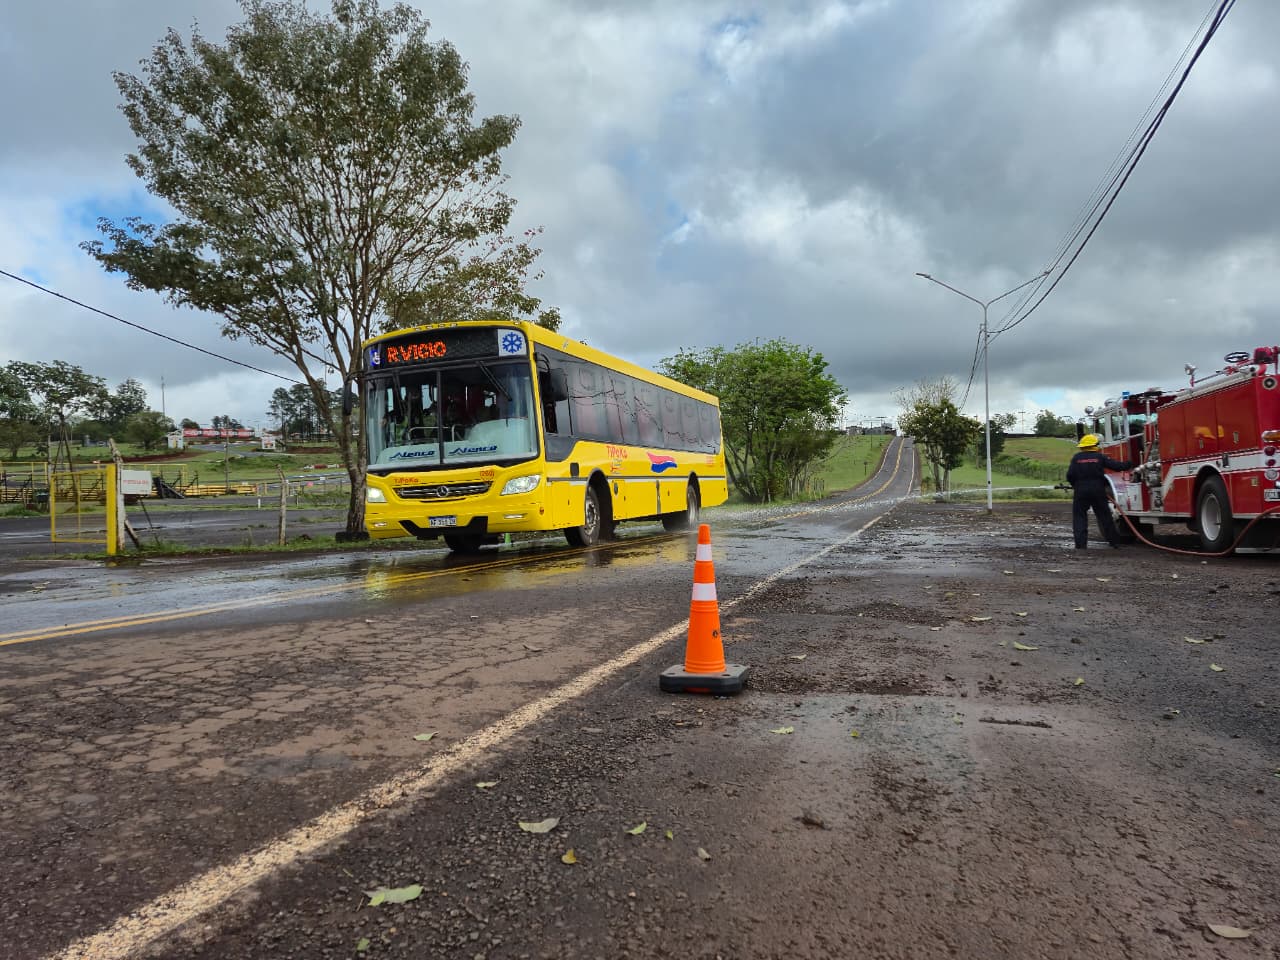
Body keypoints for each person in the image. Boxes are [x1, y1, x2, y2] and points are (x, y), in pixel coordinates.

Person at [1066, 434, 1133, 549]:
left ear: (1082, 446)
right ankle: (1114, 542)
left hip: (1081, 490)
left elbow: (1070, 475)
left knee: (1079, 517)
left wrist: (1076, 486)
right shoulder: (1099, 457)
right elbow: (1116, 466)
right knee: (1105, 516)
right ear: (1095, 445)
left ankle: (1081, 545)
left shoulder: (1076, 458)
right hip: (1098, 490)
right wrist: (1130, 463)